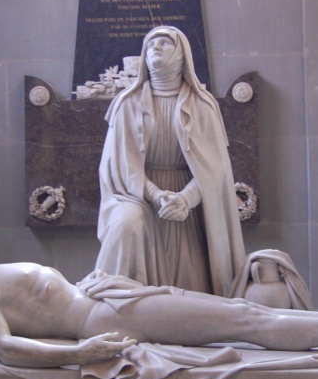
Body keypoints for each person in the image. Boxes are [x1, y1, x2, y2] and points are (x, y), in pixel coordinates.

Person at [0, 203, 318, 369]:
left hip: (109, 296)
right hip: (105, 319)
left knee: (241, 315)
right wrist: (80, 352)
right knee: (245, 319)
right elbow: (4, 347)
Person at [95, 25, 247, 296]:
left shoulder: (202, 105)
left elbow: (215, 169)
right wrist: (157, 196)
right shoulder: (127, 103)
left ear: (181, 54)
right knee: (126, 222)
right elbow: (122, 168)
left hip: (187, 201)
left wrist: (185, 200)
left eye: (165, 43)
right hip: (139, 195)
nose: (155, 47)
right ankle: (119, 307)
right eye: (151, 44)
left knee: (191, 289)